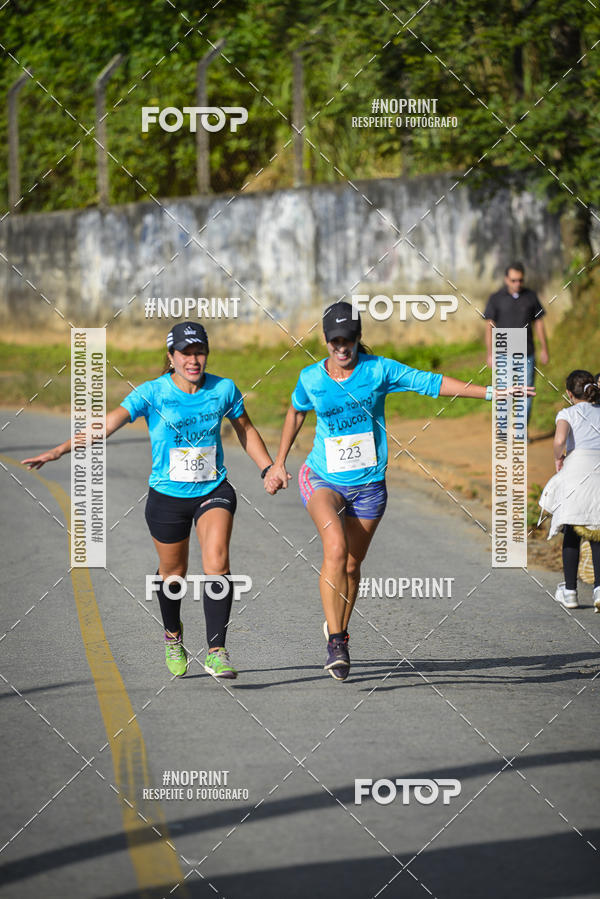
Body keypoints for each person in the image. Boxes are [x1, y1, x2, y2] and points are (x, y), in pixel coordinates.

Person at [265, 301, 533, 681]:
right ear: (325, 340)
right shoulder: (310, 379)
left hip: (370, 485)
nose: (343, 347)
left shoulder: (378, 371)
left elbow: (430, 382)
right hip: (322, 477)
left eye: (350, 339)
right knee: (336, 550)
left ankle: (336, 627)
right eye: (336, 340)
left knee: (353, 566)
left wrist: (493, 393)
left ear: (359, 338)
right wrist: (279, 463)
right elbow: (296, 411)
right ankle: (337, 641)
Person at [22, 322, 276, 679]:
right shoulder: (152, 393)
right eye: (185, 353)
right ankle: (173, 636)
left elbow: (245, 429)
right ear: (170, 356)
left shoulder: (223, 389)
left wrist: (268, 468)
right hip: (167, 497)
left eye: (199, 351)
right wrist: (61, 450)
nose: (193, 359)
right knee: (174, 575)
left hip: (213, 490)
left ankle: (217, 650)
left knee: (216, 561)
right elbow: (108, 424)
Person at [538, 370, 600, 611]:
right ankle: (598, 591)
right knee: (597, 532)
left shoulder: (567, 413)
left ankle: (571, 592)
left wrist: (558, 459)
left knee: (572, 530)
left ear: (568, 393)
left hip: (577, 469)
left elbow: (559, 441)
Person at [484, 262, 549, 424]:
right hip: (503, 355)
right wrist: (490, 353)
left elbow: (539, 323)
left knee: (525, 394)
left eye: (520, 280)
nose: (517, 284)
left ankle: (521, 431)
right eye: (513, 280)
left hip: (527, 353)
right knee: (502, 394)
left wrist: (544, 349)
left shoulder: (531, 296)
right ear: (506, 279)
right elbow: (489, 326)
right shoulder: (496, 298)